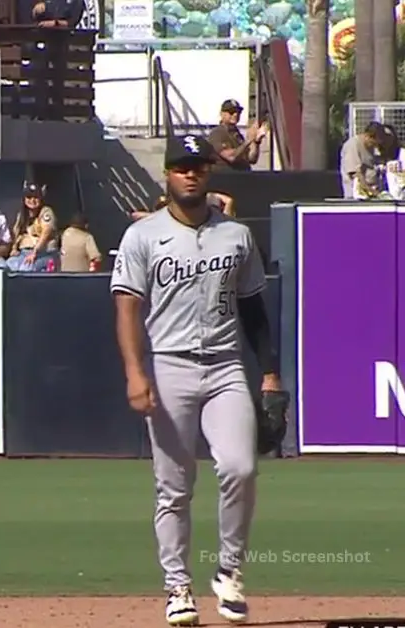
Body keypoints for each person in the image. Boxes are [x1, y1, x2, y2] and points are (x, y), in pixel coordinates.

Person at [110, 134, 281, 627]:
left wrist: (268, 372)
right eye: (182, 166)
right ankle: (177, 586)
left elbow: (253, 309)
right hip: (170, 364)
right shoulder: (143, 237)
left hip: (226, 364)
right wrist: (135, 371)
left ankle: (229, 571)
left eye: (198, 166)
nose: (190, 173)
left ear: (209, 172)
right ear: (167, 173)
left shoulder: (235, 235)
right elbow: (126, 306)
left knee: (241, 467)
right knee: (174, 486)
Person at [206, 100, 267, 171]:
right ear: (222, 114)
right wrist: (248, 140)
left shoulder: (237, 134)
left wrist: (256, 142)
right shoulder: (217, 133)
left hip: (242, 177)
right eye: (231, 112)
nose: (235, 115)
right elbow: (231, 157)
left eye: (238, 112)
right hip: (225, 178)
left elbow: (251, 159)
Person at [339, 121, 384, 199]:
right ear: (368, 136)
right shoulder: (352, 145)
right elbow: (355, 174)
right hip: (357, 196)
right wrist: (371, 191)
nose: (375, 146)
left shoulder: (372, 149)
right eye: (374, 143)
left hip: (372, 193)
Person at [379, 124, 405, 200]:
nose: (386, 139)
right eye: (383, 136)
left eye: (389, 136)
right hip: (382, 197)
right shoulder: (376, 155)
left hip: (400, 196)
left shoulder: (402, 152)